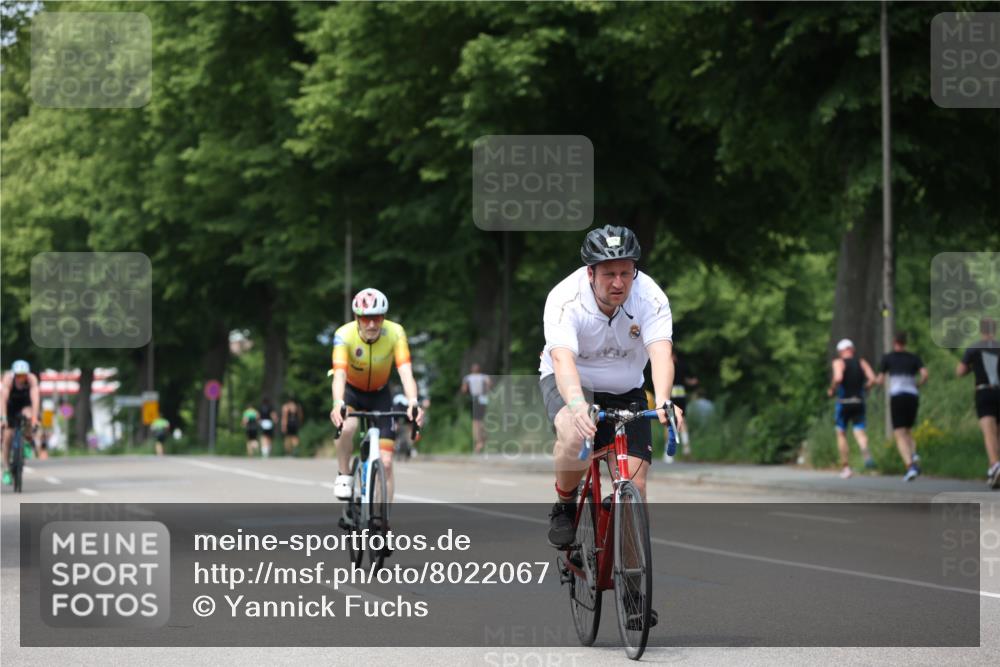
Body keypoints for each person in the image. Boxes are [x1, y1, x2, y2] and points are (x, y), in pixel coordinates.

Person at [539, 224, 682, 629]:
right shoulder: (564, 299)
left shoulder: (650, 296)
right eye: (608, 274)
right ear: (590, 273)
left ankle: (634, 593)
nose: (618, 282)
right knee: (572, 430)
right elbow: (562, 360)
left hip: (626, 389)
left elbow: (661, 352)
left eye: (625, 272)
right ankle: (565, 503)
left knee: (635, 489)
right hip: (572, 383)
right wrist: (576, 405)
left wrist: (664, 399)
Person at [329, 288, 425, 507]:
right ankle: (344, 474)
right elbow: (339, 374)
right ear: (357, 318)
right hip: (351, 392)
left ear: (384, 317)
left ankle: (383, 521)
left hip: (380, 394)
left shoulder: (395, 333)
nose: (372, 324)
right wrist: (338, 403)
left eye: (377, 318)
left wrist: (413, 401)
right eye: (366, 319)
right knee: (347, 427)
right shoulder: (344, 335)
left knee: (387, 463)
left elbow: (405, 371)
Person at [874, 332, 928, 481]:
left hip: (897, 396)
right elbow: (925, 374)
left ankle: (910, 467)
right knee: (908, 430)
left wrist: (873, 382)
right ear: (905, 342)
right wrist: (918, 384)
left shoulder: (888, 358)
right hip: (912, 396)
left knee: (899, 433)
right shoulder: (914, 358)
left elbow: (880, 379)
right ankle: (913, 454)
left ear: (894, 342)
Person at [956, 317, 1000, 489]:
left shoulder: (974, 348)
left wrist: (971, 367)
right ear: (994, 330)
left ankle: (995, 465)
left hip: (984, 392)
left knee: (989, 433)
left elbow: (960, 371)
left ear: (981, 330)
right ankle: (994, 473)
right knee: (997, 434)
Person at [827, 338, 877, 479]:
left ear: (840, 352)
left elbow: (838, 378)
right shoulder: (862, 362)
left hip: (844, 402)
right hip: (859, 401)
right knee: (859, 431)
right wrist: (865, 387)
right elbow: (873, 379)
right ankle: (864, 450)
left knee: (841, 433)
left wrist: (832, 389)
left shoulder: (838, 362)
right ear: (852, 350)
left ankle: (846, 467)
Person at [1, 360, 40, 485]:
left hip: (25, 405)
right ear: (14, 374)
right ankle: (6, 469)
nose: (21, 379)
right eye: (18, 376)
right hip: (10, 406)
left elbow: (35, 399)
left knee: (29, 416)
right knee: (7, 437)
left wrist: (34, 418)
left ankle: (27, 440)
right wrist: (3, 418)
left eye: (23, 376)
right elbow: (3, 400)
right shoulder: (8, 379)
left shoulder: (32, 379)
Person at [664, 349, 698, 462]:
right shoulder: (683, 365)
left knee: (669, 422)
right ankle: (686, 448)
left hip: (671, 396)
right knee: (682, 420)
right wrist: (693, 382)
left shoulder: (666, 366)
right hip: (681, 395)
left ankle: (667, 453)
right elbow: (689, 380)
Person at [461, 362, 492, 454]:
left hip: (475, 399)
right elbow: (489, 385)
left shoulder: (468, 378)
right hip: (482, 399)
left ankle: (479, 443)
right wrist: (485, 391)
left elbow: (464, 389)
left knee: (476, 422)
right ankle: (483, 438)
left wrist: (467, 391)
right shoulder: (484, 377)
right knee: (480, 420)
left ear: (472, 370)